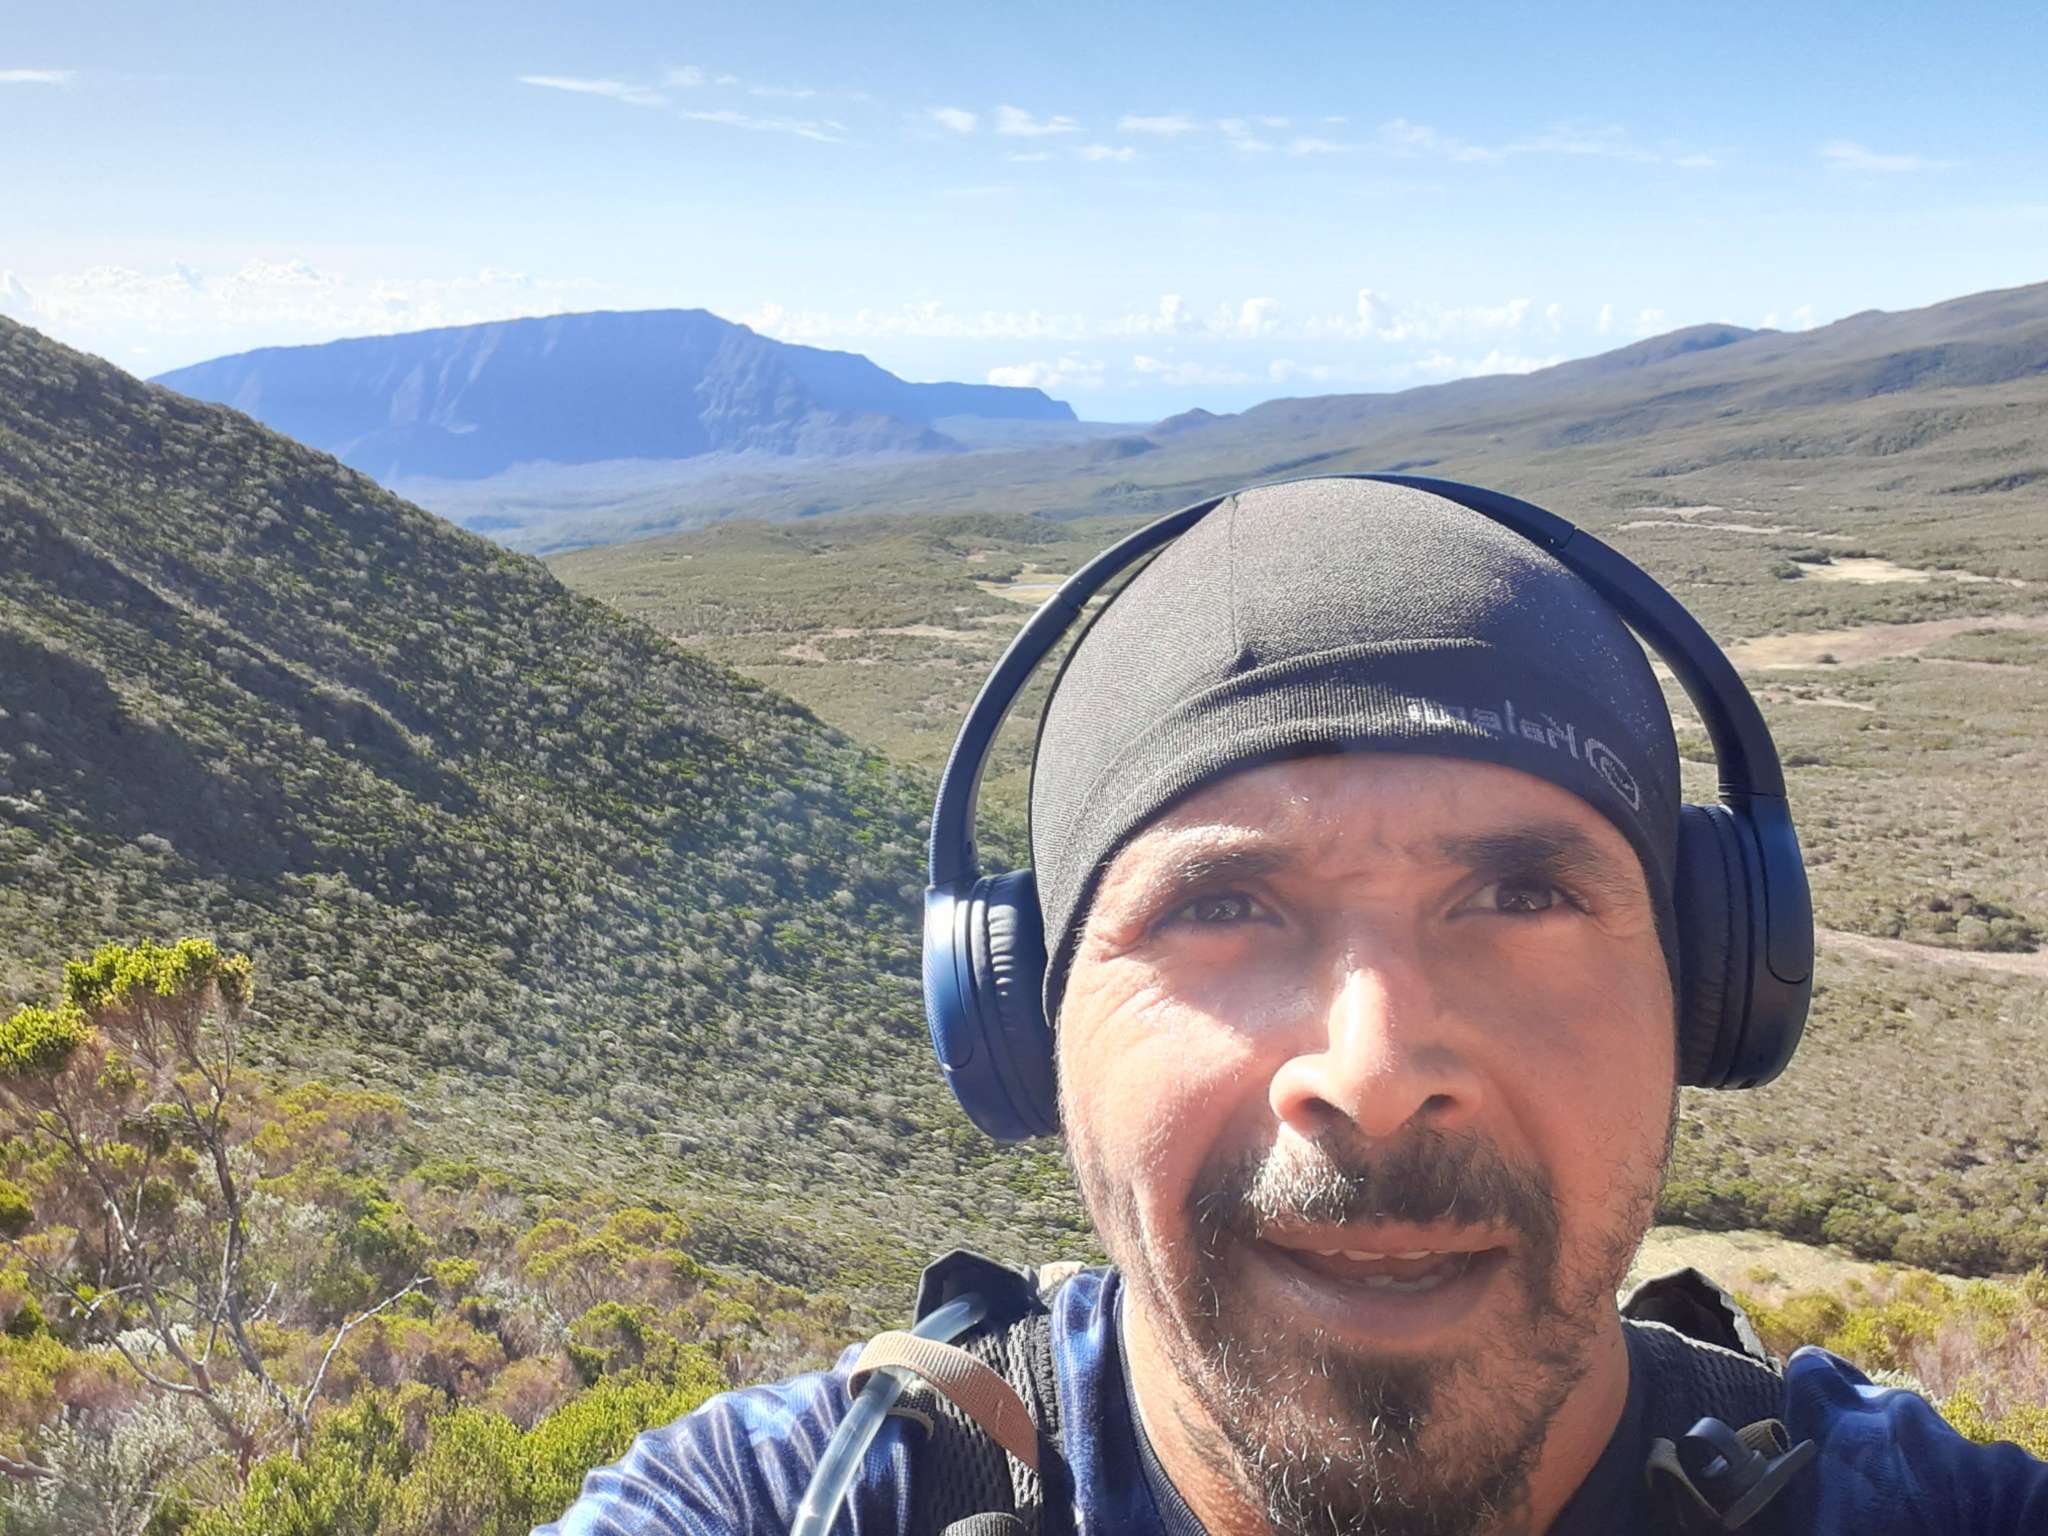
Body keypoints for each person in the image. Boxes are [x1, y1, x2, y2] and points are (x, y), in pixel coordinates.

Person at [540, 478, 2048, 1535]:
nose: (1374, 1070)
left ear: (1708, 985)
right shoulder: (791, 1505)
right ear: (1025, 1026)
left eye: (1523, 894)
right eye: (1219, 905)